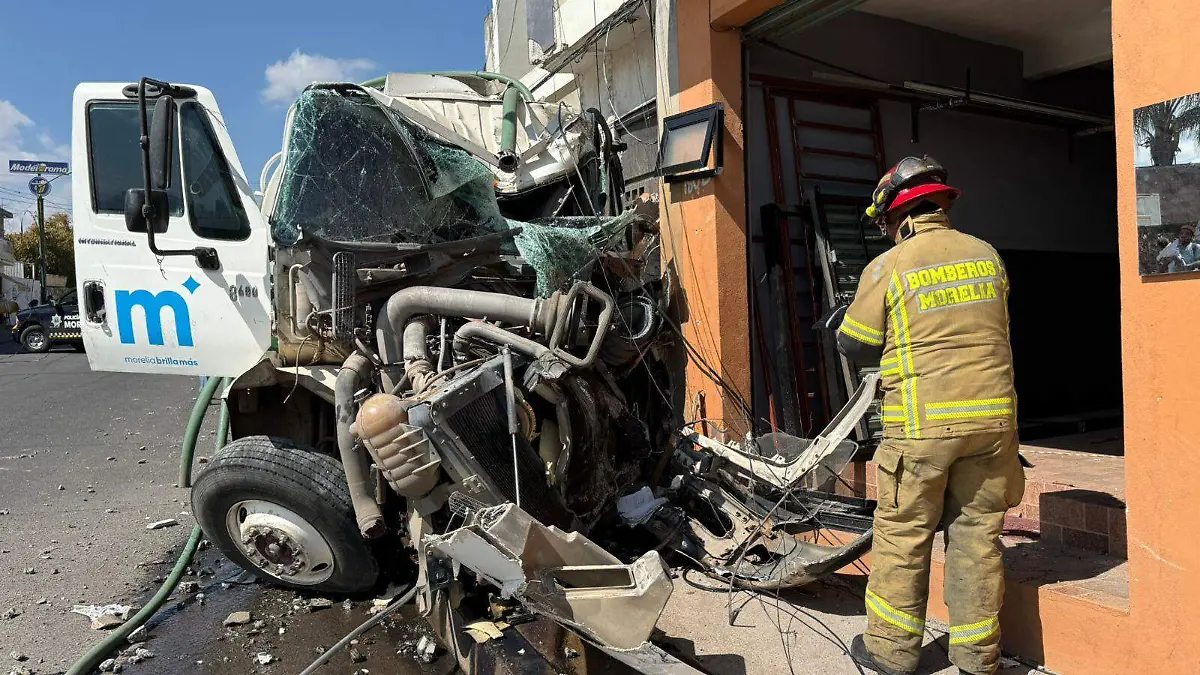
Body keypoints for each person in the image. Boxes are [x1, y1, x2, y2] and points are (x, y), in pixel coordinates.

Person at [835, 156, 1024, 675]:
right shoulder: (987, 257)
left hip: (922, 430)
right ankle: (977, 658)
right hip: (992, 427)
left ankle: (891, 654)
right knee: (977, 537)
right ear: (941, 204)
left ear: (899, 217)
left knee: (903, 535)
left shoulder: (890, 266)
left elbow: (854, 343)